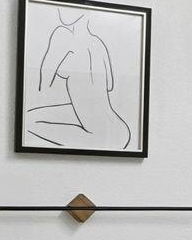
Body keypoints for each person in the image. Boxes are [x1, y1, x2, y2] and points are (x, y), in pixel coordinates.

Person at [26, 11, 132, 150]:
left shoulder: (62, 36)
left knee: (27, 124)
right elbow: (110, 86)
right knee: (28, 118)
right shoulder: (97, 43)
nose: (60, 11)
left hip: (100, 138)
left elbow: (44, 85)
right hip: (120, 129)